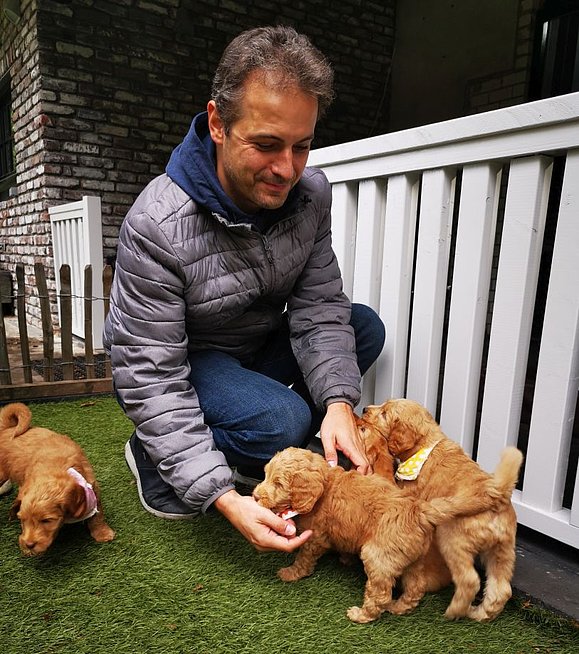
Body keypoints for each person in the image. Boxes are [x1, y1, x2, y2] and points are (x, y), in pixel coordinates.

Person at [103, 25, 385, 553]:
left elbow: (320, 305)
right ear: (217, 123)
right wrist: (223, 497)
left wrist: (340, 404)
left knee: (362, 324)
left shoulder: (310, 194)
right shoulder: (157, 224)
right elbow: (151, 373)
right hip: (180, 361)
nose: (287, 169)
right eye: (266, 144)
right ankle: (154, 451)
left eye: (302, 146)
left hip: (250, 345)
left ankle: (262, 432)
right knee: (284, 419)